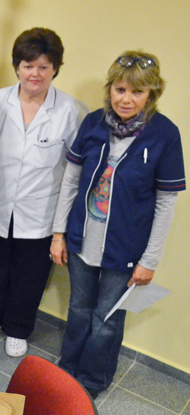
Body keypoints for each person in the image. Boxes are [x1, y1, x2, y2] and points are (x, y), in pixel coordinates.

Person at [51, 50, 184, 397]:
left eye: (137, 92)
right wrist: (59, 233)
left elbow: (166, 203)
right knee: (79, 309)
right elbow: (71, 180)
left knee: (106, 319)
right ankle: (68, 369)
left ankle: (92, 381)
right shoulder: (93, 123)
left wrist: (149, 260)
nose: (127, 99)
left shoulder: (165, 135)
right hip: (82, 239)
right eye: (121, 89)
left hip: (126, 248)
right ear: (110, 88)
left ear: (151, 94)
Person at [0, 28, 88, 357]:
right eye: (28, 66)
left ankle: (18, 328)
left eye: (43, 66)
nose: (35, 74)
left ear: (55, 68)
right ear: (17, 67)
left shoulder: (71, 111)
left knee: (29, 278)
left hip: (41, 212)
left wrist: (61, 229)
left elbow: (75, 172)